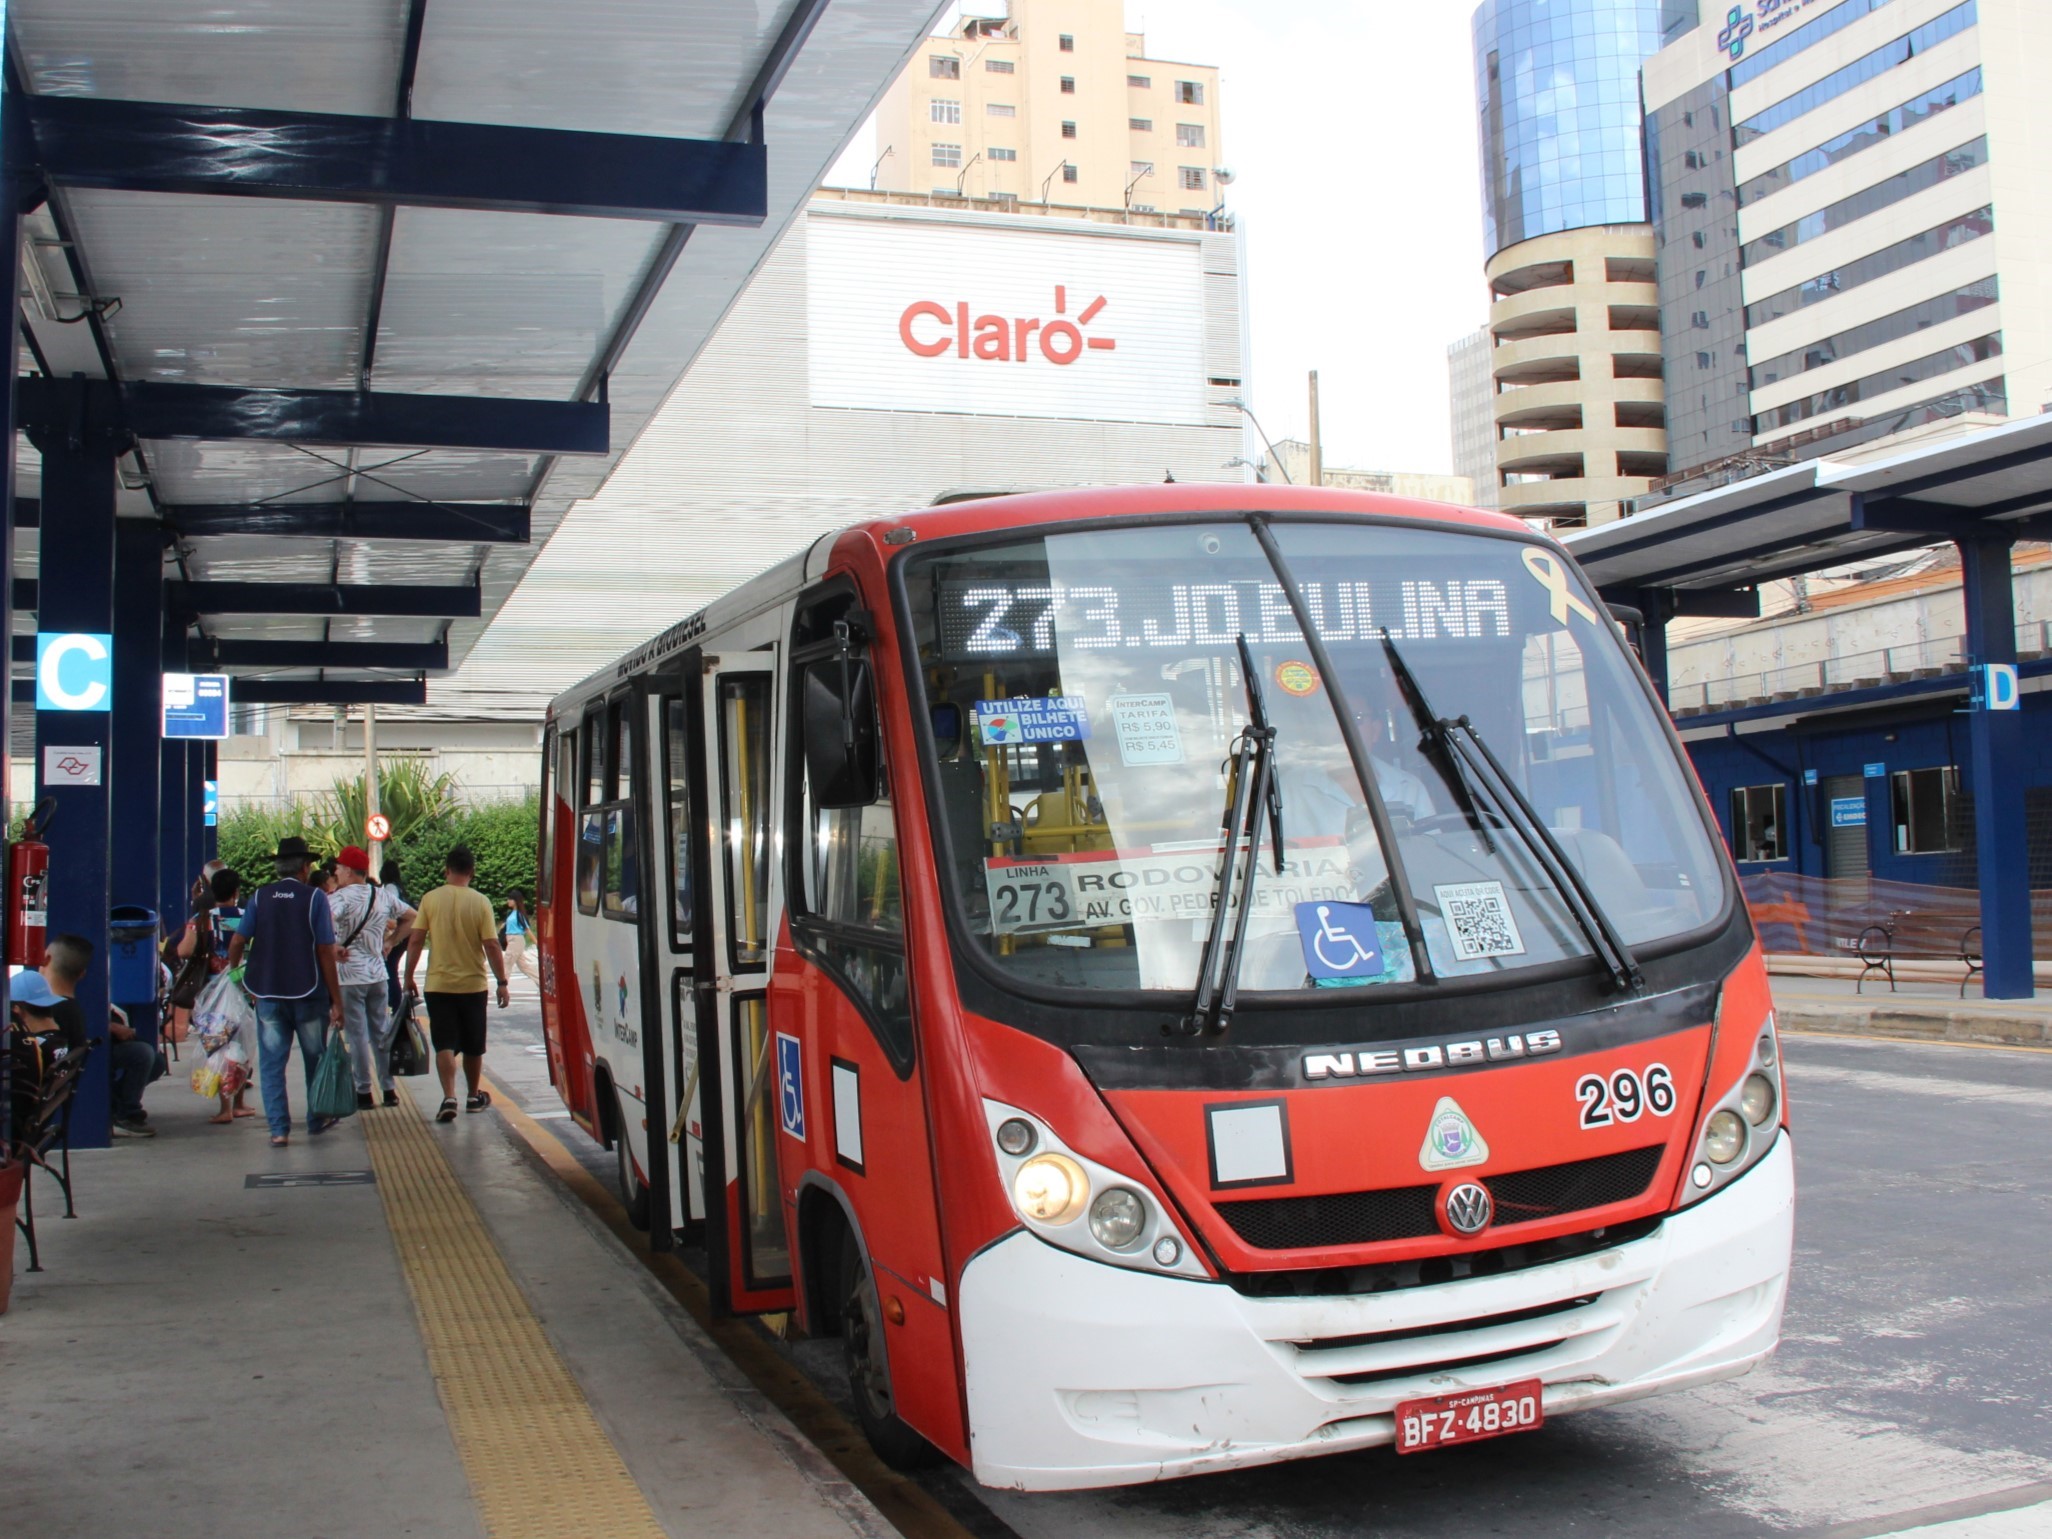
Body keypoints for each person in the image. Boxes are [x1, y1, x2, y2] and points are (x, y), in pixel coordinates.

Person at [226, 836, 346, 1147]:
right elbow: (325, 949)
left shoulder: (258, 898)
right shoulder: (315, 899)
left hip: (267, 993)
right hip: (308, 993)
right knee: (314, 1059)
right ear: (306, 867)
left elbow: (238, 941)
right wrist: (336, 998)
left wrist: (236, 973)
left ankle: (279, 1130)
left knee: (271, 1063)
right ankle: (316, 1119)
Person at [405, 844, 510, 1123]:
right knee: (474, 1044)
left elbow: (415, 939)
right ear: (472, 872)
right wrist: (502, 981)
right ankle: (473, 1096)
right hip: (473, 985)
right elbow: (491, 944)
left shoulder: (430, 899)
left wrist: (407, 976)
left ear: (446, 870)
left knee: (445, 1044)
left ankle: (449, 1096)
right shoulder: (480, 902)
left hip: (438, 986)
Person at [329, 845, 415, 1109]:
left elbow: (321, 927)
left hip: (349, 977)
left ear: (348, 871)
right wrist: (390, 941)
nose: (336, 872)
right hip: (378, 974)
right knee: (380, 1032)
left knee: (356, 1036)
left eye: (339, 868)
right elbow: (412, 916)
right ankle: (389, 1090)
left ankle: (364, 1091)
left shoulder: (338, 899)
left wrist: (334, 947)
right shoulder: (382, 896)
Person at [380, 858, 411, 1013]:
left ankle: (396, 1003)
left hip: (396, 932)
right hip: (404, 934)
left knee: (389, 967)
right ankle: (398, 1002)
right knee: (391, 967)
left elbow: (389, 912)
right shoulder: (399, 887)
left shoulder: (390, 888)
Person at [502, 888, 540, 986]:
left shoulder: (519, 915)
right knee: (524, 966)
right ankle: (541, 983)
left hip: (516, 941)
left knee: (507, 964)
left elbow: (527, 930)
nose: (508, 901)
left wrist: (536, 942)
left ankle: (502, 987)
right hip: (512, 941)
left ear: (515, 901)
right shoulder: (511, 914)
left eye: (510, 899)